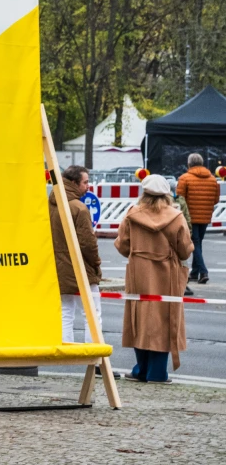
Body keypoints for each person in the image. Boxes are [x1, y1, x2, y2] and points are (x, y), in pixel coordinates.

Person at [116, 173, 193, 383]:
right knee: (164, 319)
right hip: (166, 273)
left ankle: (141, 369)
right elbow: (185, 250)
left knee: (138, 319)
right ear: (167, 194)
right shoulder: (176, 217)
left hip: (138, 273)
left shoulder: (132, 214)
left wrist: (139, 254)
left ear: (144, 193)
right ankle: (157, 373)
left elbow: (122, 245)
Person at [49, 165, 101, 342]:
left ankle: (67, 353)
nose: (88, 186)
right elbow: (88, 244)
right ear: (73, 183)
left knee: (66, 312)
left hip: (59, 267)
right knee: (92, 315)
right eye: (85, 182)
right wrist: (96, 264)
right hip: (81, 267)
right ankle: (94, 358)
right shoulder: (79, 208)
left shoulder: (50, 205)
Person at [174, 153, 216, 285]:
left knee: (195, 243)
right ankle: (194, 273)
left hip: (190, 216)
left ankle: (203, 271)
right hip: (205, 216)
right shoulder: (212, 179)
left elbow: (180, 199)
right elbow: (215, 199)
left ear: (189, 163)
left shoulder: (184, 178)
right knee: (198, 243)